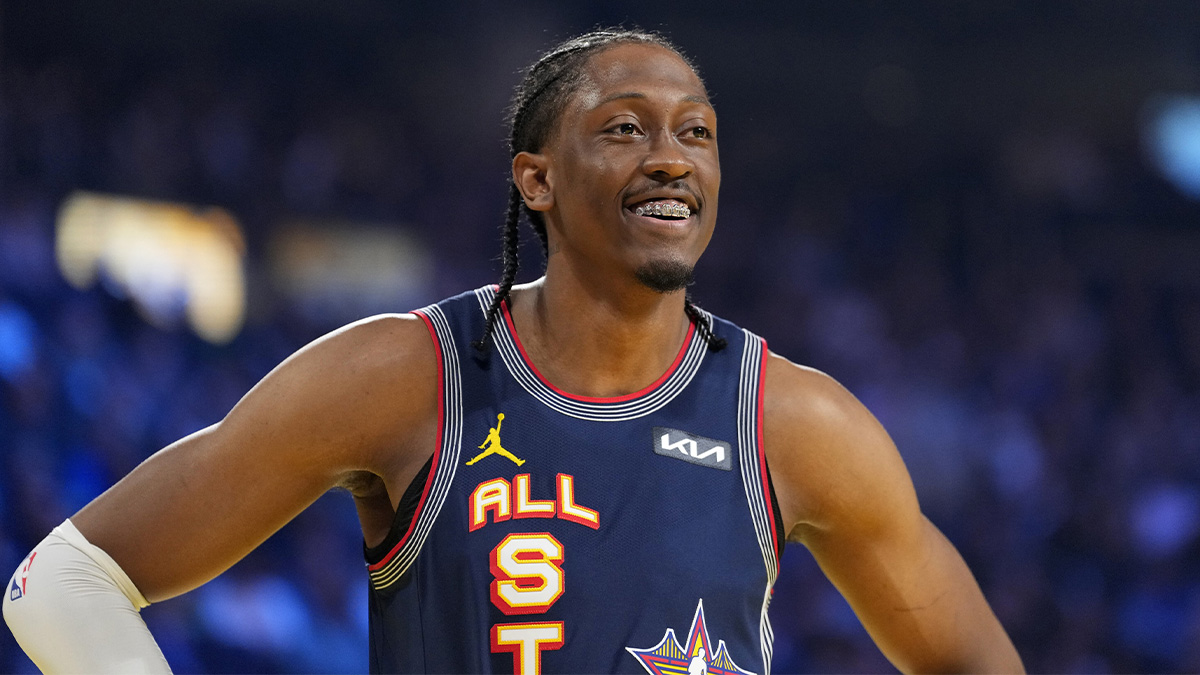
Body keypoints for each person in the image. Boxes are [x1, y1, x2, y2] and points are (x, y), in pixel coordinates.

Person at [3, 29, 1023, 674]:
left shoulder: (796, 421)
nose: (671, 156)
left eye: (697, 133)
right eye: (624, 128)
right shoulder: (404, 378)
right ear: (535, 180)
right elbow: (61, 581)